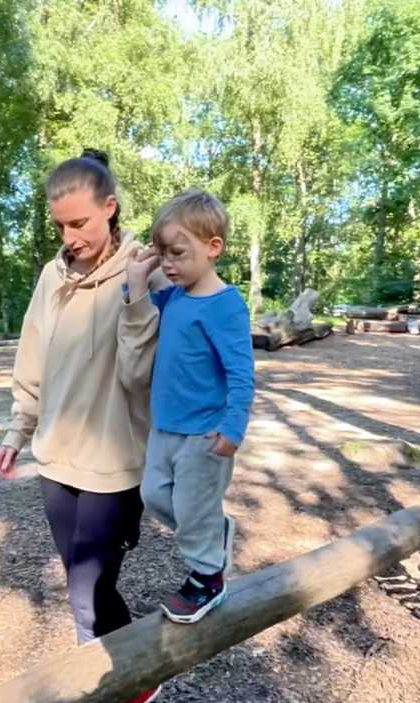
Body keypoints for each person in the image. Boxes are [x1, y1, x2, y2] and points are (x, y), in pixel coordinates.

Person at [0, 149, 163, 703]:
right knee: (84, 585)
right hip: (56, 460)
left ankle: (114, 687)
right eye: (61, 225)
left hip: (115, 466)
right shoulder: (52, 276)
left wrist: (138, 297)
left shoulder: (144, 268)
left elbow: (142, 377)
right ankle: (142, 672)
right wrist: (18, 430)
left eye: (81, 223)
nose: (70, 236)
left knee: (85, 596)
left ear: (109, 209)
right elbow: (33, 360)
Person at [127, 189, 254, 624]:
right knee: (153, 495)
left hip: (205, 432)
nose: (169, 263)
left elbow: (241, 372)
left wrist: (233, 428)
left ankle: (207, 578)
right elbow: (137, 301)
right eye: (163, 253)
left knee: (192, 508)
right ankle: (214, 532)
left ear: (213, 247)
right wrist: (141, 272)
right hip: (166, 427)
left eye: (177, 252)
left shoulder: (225, 306)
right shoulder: (176, 295)